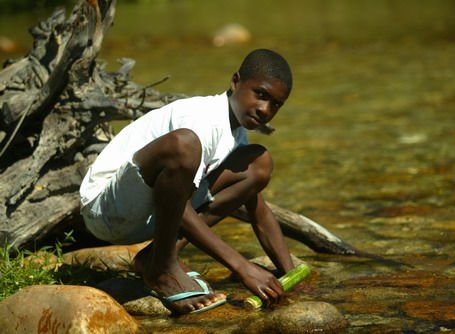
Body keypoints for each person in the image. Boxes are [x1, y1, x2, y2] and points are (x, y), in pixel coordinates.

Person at [79, 49, 295, 314]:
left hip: (146, 214)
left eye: (275, 104)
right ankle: (162, 269)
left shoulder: (236, 135)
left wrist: (290, 274)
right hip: (108, 211)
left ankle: (155, 256)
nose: (265, 109)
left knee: (259, 164)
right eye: (260, 95)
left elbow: (257, 208)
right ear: (236, 81)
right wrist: (242, 267)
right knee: (184, 144)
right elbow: (180, 206)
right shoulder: (201, 119)